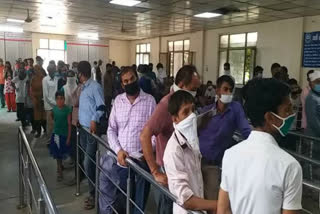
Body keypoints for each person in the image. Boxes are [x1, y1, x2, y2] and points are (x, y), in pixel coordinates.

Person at [218, 78, 302, 214]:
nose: (292, 114)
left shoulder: (230, 155)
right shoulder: (289, 166)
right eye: (287, 110)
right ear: (270, 118)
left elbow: (223, 210)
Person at [140, 65, 200, 214]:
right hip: (169, 171)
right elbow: (145, 135)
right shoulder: (166, 105)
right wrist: (155, 171)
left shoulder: (184, 102)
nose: (195, 93)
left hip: (184, 167)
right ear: (181, 86)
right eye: (193, 88)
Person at [101, 66, 156, 213]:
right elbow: (111, 129)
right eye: (126, 81)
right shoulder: (118, 101)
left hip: (139, 160)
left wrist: (147, 152)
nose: (129, 82)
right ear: (122, 85)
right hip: (119, 159)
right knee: (119, 199)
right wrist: (118, 150)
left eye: (132, 79)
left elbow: (154, 133)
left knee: (137, 203)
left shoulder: (149, 101)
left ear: (137, 78)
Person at [198, 75, 251, 200]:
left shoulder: (235, 109)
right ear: (217, 91)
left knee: (212, 200)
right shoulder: (207, 111)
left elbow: (245, 130)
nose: (228, 93)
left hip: (213, 165)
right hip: (196, 160)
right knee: (195, 200)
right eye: (225, 89)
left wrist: (258, 141)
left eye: (230, 90)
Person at [164, 90, 217, 214]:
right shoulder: (173, 151)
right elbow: (186, 199)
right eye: (185, 112)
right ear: (175, 118)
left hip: (199, 208)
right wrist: (217, 205)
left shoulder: (191, 140)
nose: (192, 116)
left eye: (193, 110)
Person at [78, 61, 105, 210]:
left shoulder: (95, 87)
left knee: (89, 163)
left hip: (91, 131)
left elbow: (102, 107)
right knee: (86, 162)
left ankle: (95, 195)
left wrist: (94, 118)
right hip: (82, 128)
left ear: (81, 73)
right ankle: (92, 190)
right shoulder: (83, 87)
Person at [49, 91, 72, 181]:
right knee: (57, 155)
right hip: (56, 135)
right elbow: (52, 117)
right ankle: (59, 171)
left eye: (61, 98)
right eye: (58, 99)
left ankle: (61, 166)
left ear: (64, 99)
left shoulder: (67, 109)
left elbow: (69, 124)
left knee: (63, 153)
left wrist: (69, 137)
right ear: (55, 100)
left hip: (64, 135)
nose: (60, 101)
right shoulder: (54, 109)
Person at [43, 64, 58, 141]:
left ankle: (54, 140)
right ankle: (49, 140)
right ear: (49, 71)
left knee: (55, 124)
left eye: (55, 69)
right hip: (49, 106)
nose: (55, 71)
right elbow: (46, 96)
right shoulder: (45, 80)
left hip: (56, 105)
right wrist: (56, 103)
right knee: (50, 124)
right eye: (53, 70)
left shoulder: (56, 79)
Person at [31, 65, 47, 138]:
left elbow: (46, 90)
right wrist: (34, 99)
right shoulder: (33, 79)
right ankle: (38, 131)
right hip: (36, 100)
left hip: (43, 99)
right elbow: (31, 90)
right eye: (35, 69)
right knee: (37, 117)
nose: (36, 70)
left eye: (38, 69)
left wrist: (44, 98)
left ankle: (46, 130)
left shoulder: (44, 78)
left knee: (44, 116)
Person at [305, 70, 320, 138]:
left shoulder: (317, 96)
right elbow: (314, 122)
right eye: (317, 82)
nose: (319, 84)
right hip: (314, 138)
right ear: (311, 83)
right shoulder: (311, 98)